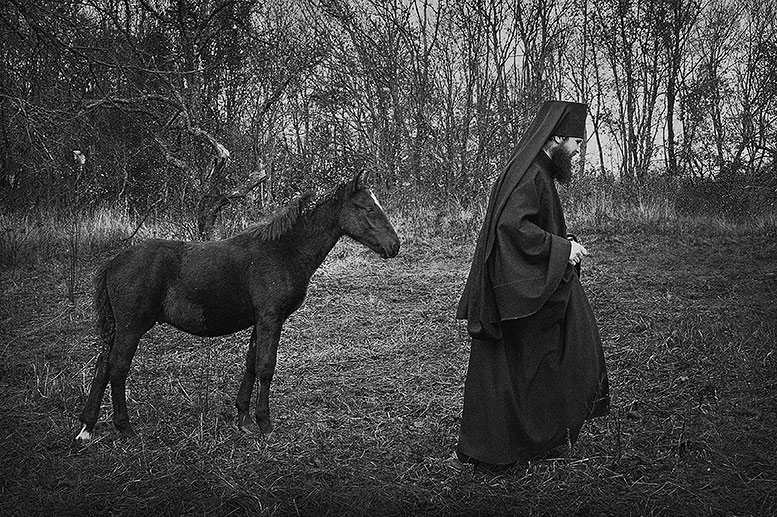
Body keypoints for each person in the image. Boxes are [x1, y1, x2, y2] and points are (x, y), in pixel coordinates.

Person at [452, 100, 610, 471]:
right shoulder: (531, 174)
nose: (576, 151)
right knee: (556, 352)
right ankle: (503, 447)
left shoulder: (535, 168)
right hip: (517, 286)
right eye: (575, 142)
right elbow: (513, 228)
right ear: (556, 137)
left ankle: (534, 438)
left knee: (529, 363)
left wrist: (563, 243)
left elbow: (530, 223)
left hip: (522, 281)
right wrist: (561, 248)